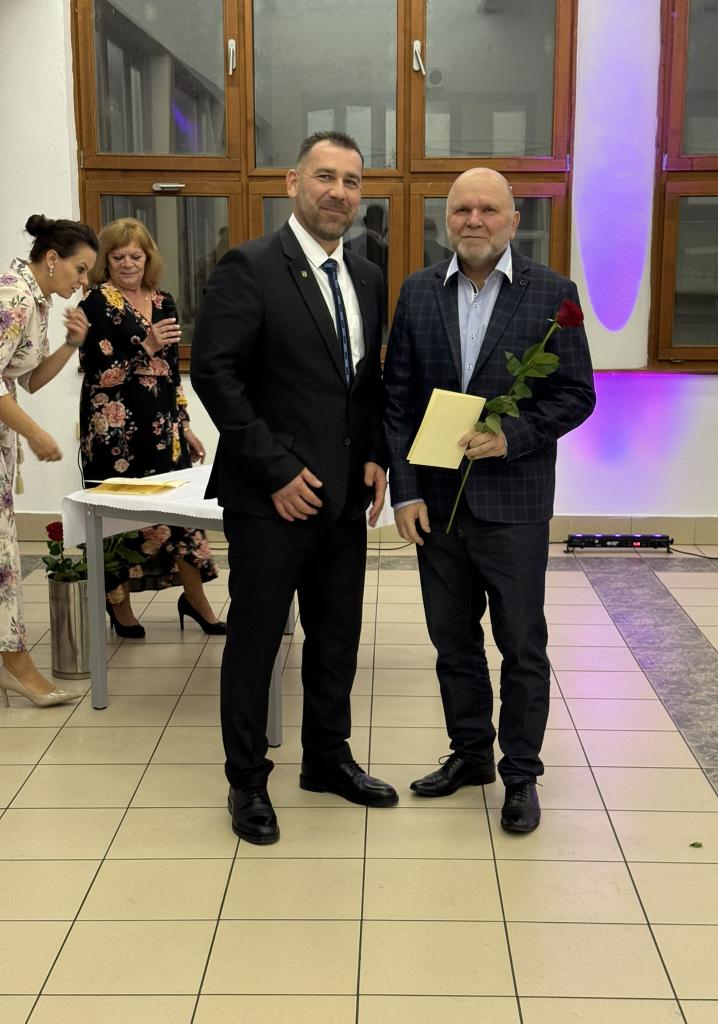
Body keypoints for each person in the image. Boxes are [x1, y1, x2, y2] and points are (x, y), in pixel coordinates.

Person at [192, 130, 398, 845]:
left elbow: (364, 382)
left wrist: (376, 455)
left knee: (337, 637)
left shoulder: (368, 275)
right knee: (256, 642)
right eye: (325, 177)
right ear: (292, 182)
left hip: (343, 498)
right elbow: (215, 374)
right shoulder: (249, 266)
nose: (339, 192)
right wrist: (276, 469)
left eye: (351, 181)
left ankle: (326, 759)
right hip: (269, 498)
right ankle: (247, 781)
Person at [383, 168, 595, 833]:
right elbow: (398, 401)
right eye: (461, 210)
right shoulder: (418, 292)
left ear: (513, 220)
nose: (473, 220)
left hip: (515, 504)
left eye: (488, 210)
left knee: (522, 646)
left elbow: (578, 395)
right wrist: (404, 492)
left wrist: (513, 437)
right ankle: (471, 753)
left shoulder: (554, 294)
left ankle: (521, 773)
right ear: (446, 220)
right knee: (452, 642)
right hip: (436, 506)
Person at [79, 218, 224, 638]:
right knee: (118, 519)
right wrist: (146, 346)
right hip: (113, 431)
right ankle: (119, 606)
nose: (128, 264)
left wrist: (185, 424)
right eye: (118, 257)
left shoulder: (163, 300)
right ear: (106, 261)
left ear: (148, 258)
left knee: (179, 515)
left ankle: (195, 600)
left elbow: (172, 372)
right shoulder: (95, 303)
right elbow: (96, 372)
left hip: (162, 426)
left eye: (136, 256)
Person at [0, 214, 97, 707]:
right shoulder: (14, 297)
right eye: (80, 270)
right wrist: (35, 433)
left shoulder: (36, 301)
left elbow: (30, 380)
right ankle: (15, 664)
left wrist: (72, 344)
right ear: (53, 259)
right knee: (3, 558)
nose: (83, 282)